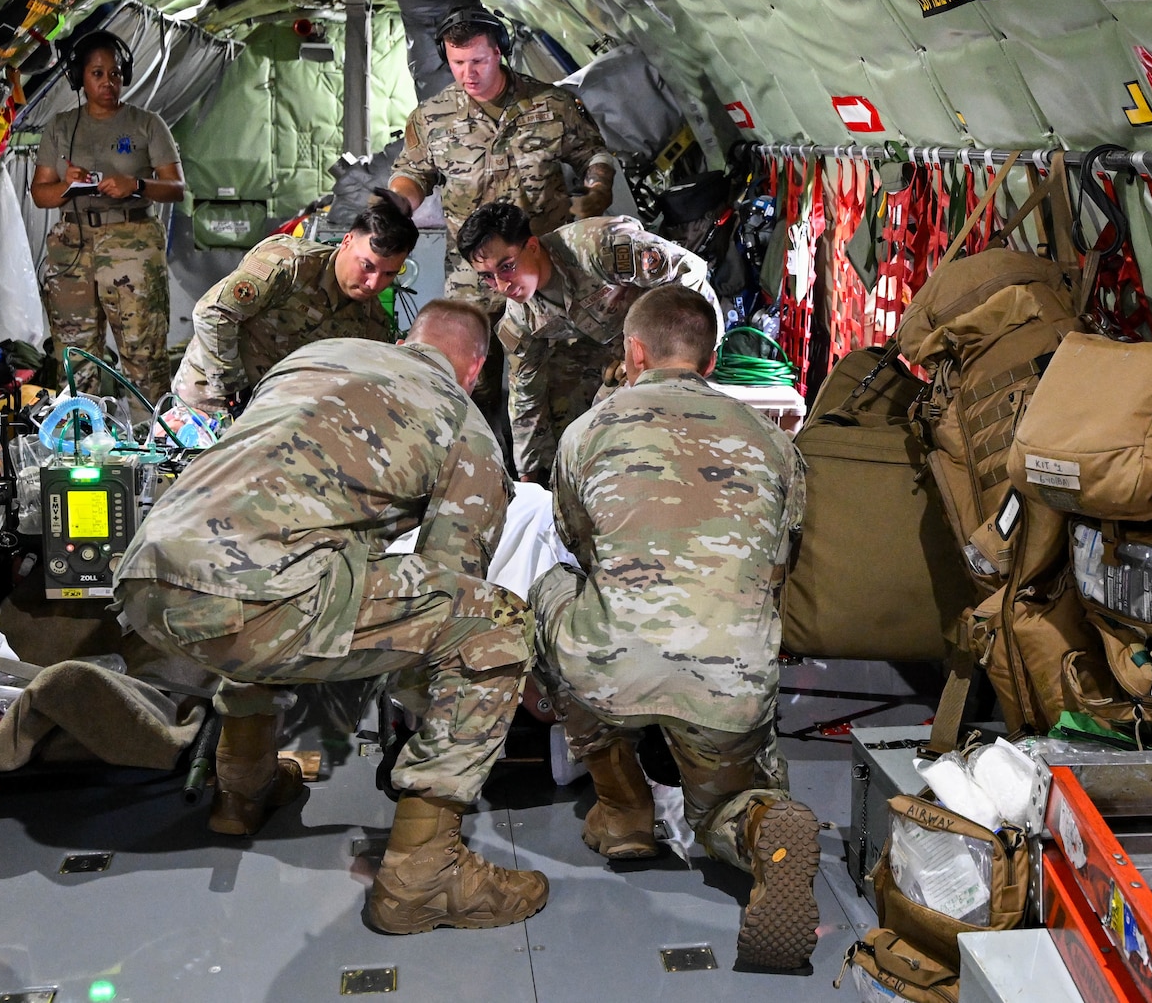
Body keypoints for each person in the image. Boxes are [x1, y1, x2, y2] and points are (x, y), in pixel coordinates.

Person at [115, 302, 547, 934]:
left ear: (407, 340)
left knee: (305, 570)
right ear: (476, 369)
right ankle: (423, 875)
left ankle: (243, 789)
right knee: (495, 622)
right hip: (253, 597)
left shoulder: (316, 357)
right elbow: (452, 586)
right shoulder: (465, 426)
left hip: (146, 574)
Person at [530, 285, 815, 971]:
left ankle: (621, 804)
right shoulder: (774, 443)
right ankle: (756, 825)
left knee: (552, 589)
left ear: (633, 352)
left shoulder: (587, 432)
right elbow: (783, 563)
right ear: (712, 357)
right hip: (731, 682)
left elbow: (580, 543)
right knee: (719, 806)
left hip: (612, 669)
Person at [385, 2, 617, 421]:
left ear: (499, 52)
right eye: (457, 63)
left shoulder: (552, 104)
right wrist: (399, 203)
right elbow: (413, 172)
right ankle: (477, 460)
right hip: (473, 278)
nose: (468, 73)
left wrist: (598, 189)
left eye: (477, 60)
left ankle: (546, 471)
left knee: (555, 379)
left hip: (543, 269)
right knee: (472, 384)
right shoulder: (432, 118)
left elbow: (593, 153)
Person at [457, 199, 718, 483]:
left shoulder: (599, 248)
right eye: (487, 277)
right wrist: (528, 474)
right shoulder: (520, 319)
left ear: (532, 247)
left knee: (625, 419)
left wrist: (670, 356)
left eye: (507, 267)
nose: (502, 286)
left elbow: (691, 273)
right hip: (614, 349)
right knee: (570, 415)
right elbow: (525, 394)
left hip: (676, 337)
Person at [29, 28, 186, 404]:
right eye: (97, 73)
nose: (108, 82)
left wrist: (136, 185)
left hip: (131, 245)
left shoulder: (146, 124)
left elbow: (176, 187)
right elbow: (40, 194)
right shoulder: (61, 127)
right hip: (74, 248)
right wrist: (68, 186)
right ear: (79, 78)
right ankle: (80, 440)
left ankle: (153, 440)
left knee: (143, 351)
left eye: (114, 74)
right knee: (74, 355)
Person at [171, 187, 417, 418]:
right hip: (210, 399)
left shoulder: (372, 321)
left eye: (388, 274)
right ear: (347, 242)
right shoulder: (288, 264)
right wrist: (235, 392)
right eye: (367, 266)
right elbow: (213, 313)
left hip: (272, 412)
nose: (373, 283)